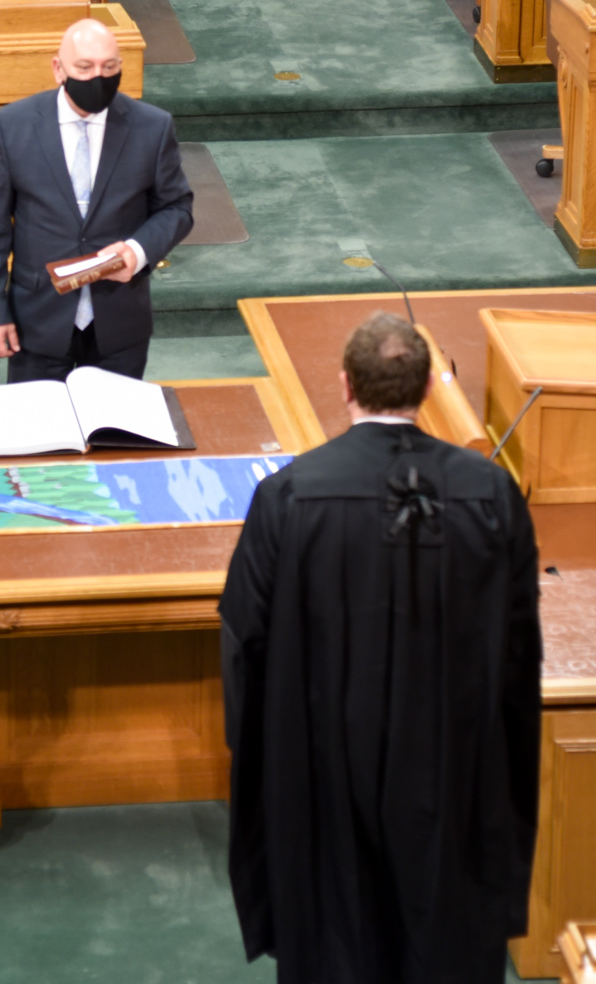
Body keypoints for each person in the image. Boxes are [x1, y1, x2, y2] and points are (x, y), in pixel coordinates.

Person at [220, 313, 543, 984]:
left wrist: (264, 756)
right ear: (430, 385)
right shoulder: (490, 492)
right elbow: (519, 651)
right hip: (454, 772)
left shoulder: (288, 496)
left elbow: (245, 642)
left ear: (344, 385)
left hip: (323, 770)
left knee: (338, 938)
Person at [0, 17, 194, 382]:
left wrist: (136, 252)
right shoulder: (13, 126)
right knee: (41, 436)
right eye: (85, 67)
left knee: (114, 436)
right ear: (59, 69)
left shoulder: (153, 127)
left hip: (119, 326)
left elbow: (177, 208)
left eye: (110, 67)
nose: (98, 78)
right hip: (37, 324)